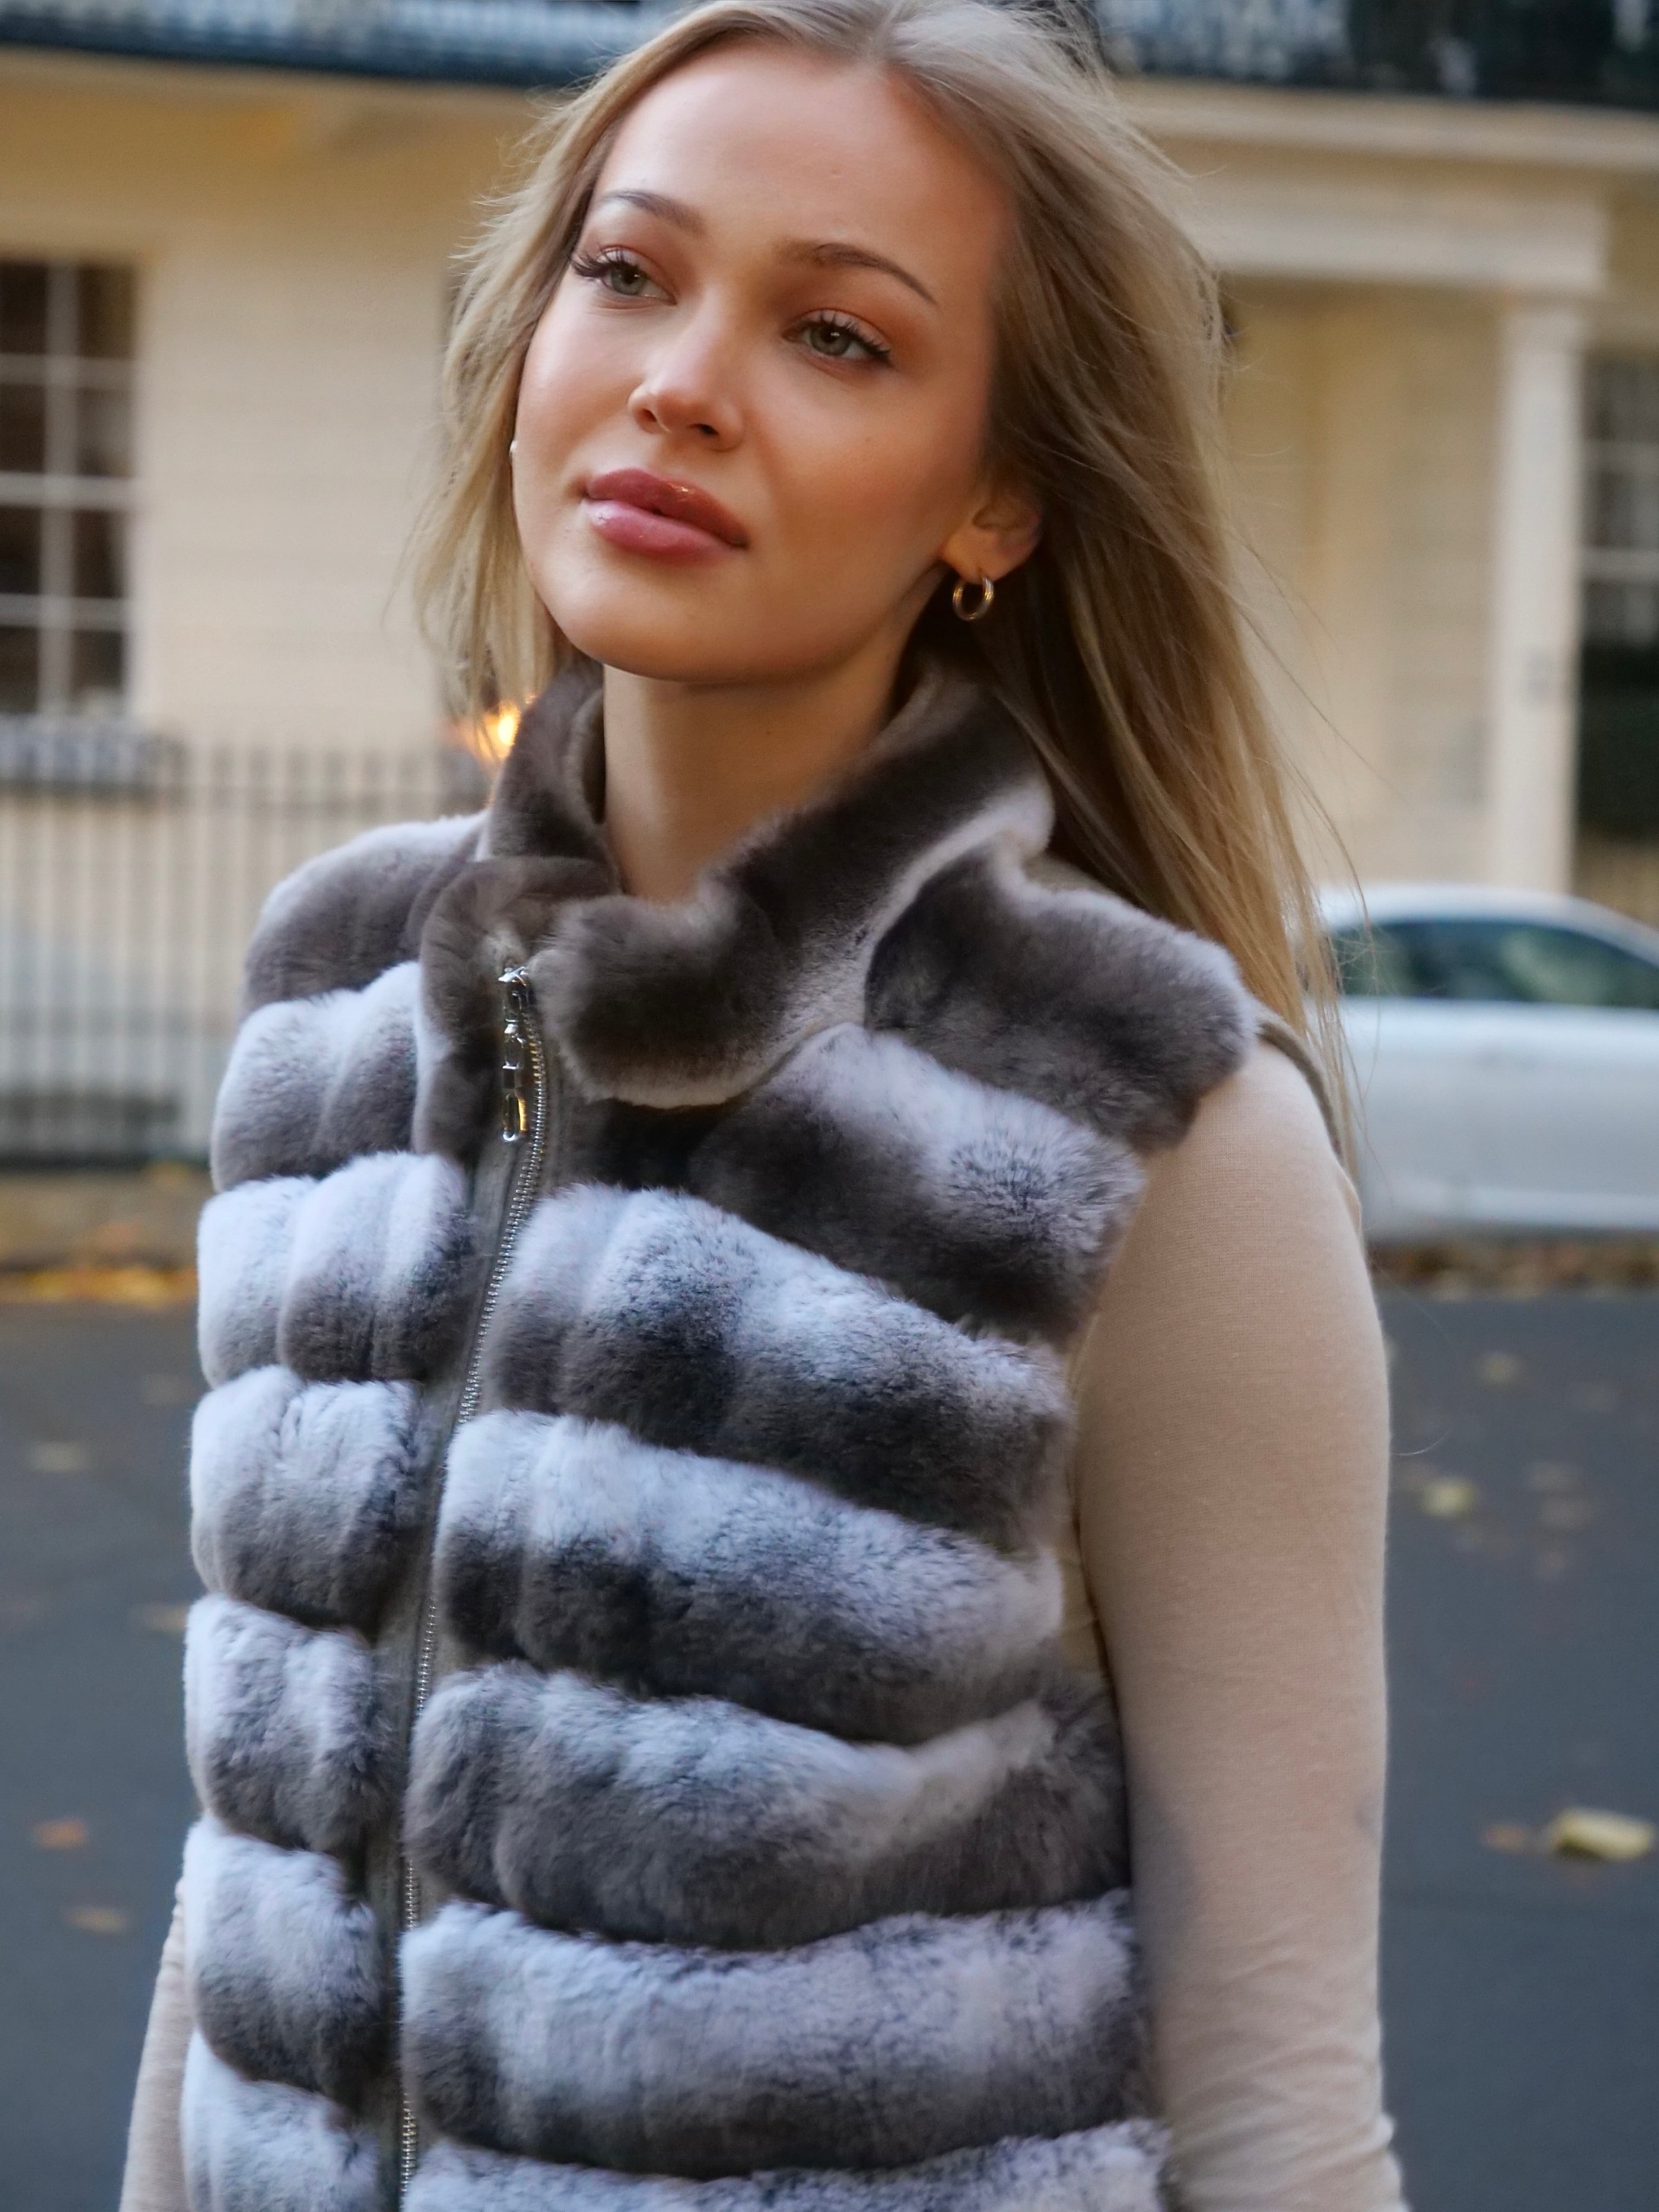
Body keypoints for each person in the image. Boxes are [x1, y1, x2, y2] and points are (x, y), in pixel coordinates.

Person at [120, 2, 1405, 2206]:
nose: (679, 379)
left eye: (837, 334)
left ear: (997, 493)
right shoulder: (341, 1003)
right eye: (625, 274)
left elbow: (1279, 2081)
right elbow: (254, 1865)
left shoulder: (1138, 1117)